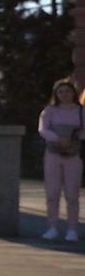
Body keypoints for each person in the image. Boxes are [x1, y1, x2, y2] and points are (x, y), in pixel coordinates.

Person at [39, 78, 84, 241]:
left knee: (72, 193)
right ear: (56, 94)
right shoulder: (49, 111)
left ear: (73, 93)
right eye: (61, 92)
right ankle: (52, 226)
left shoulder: (81, 111)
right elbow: (43, 129)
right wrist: (58, 138)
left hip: (73, 154)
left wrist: (73, 138)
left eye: (67, 91)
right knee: (52, 192)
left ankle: (72, 229)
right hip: (53, 153)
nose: (64, 94)